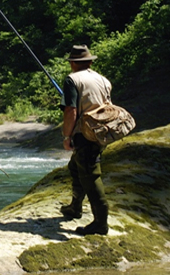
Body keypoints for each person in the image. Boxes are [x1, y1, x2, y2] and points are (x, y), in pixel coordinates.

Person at [59, 44, 111, 236]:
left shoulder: (72, 80)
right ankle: (75, 207)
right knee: (75, 167)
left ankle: (100, 223)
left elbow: (71, 111)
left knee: (90, 175)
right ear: (89, 61)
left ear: (73, 63)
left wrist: (67, 136)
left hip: (85, 132)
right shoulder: (102, 79)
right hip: (102, 131)